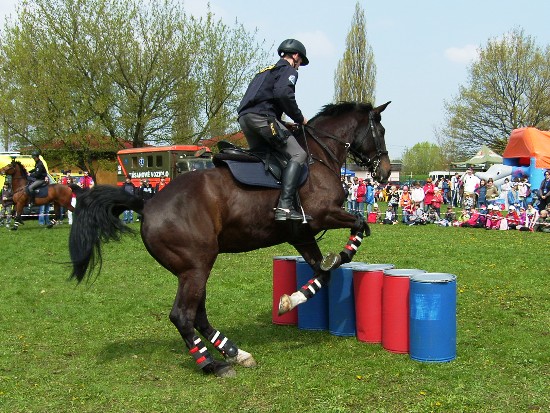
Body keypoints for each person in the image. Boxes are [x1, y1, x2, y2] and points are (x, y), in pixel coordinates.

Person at [238, 39, 309, 222]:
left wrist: (282, 124)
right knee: (298, 155)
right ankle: (285, 207)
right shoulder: (288, 70)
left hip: (245, 119)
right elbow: (283, 94)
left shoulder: (264, 71)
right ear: (295, 56)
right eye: (300, 61)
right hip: (263, 120)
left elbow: (263, 99)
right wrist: (300, 119)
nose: (299, 66)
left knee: (266, 157)